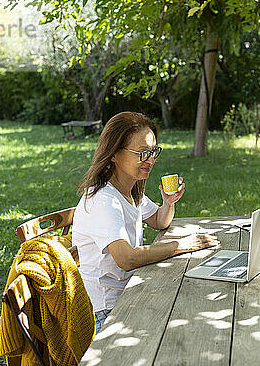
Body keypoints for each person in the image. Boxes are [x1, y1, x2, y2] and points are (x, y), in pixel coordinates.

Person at [72, 111, 219, 332]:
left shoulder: (129, 189)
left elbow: (160, 221)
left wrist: (168, 202)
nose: (150, 160)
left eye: (153, 152)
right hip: (105, 312)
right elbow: (127, 259)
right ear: (114, 153)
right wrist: (181, 245)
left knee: (194, 305)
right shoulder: (104, 200)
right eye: (142, 153)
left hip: (132, 290)